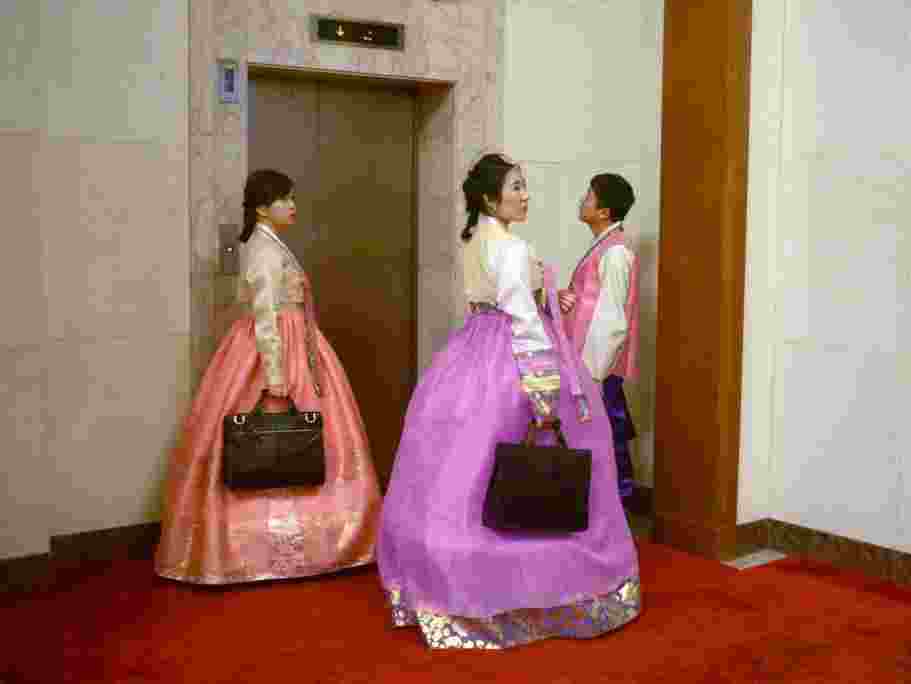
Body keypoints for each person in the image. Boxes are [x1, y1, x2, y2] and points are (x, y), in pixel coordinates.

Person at [375, 153, 640, 650]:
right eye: (516, 187)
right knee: (539, 457)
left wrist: (545, 298)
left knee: (458, 468)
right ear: (488, 197)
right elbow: (521, 318)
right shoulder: (513, 246)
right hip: (516, 356)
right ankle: (534, 586)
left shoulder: (475, 240)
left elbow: (497, 300)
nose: (525, 195)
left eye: (524, 186)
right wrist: (543, 389)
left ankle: (439, 579)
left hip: (472, 347)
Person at [155, 169, 381, 584]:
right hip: (274, 346)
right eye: (284, 199)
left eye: (292, 198)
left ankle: (297, 545)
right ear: (262, 207)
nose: (292, 206)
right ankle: (263, 551)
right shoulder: (262, 249)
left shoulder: (272, 244)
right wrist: (275, 376)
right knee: (272, 435)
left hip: (294, 340)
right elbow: (263, 317)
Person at [559, 174, 640, 504]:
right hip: (586, 361)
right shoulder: (603, 248)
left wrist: (591, 372)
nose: (582, 201)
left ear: (604, 211)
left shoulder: (615, 253)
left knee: (602, 436)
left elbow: (613, 320)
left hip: (596, 367)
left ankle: (614, 509)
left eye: (588, 196)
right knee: (597, 436)